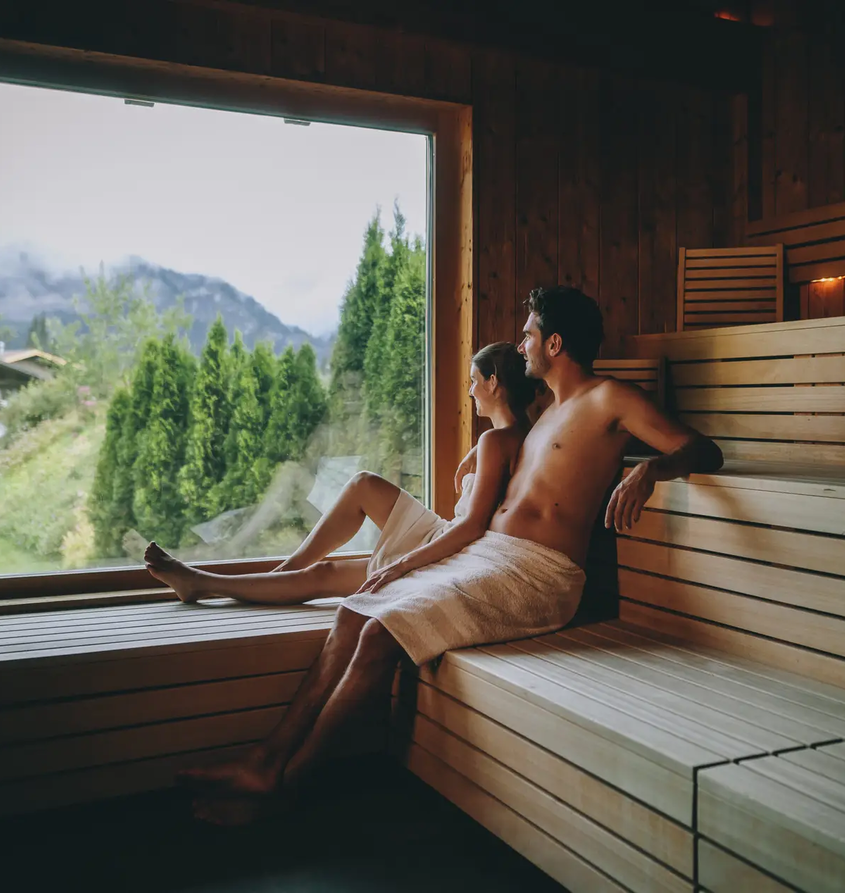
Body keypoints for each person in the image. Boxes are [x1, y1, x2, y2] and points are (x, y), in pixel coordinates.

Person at [155, 286, 723, 825]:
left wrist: (653, 468)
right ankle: (264, 762)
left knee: (380, 633)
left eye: (528, 334)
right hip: (491, 555)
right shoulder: (542, 414)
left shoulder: (611, 398)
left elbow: (703, 448)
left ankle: (290, 785)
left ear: (555, 344)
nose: (521, 344)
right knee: (355, 610)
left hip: (539, 574)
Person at [144, 341, 537, 608]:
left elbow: (469, 527)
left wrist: (404, 564)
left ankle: (203, 582)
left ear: (493, 383)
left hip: (453, 549)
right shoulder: (525, 433)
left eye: (473, 380)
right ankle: (282, 572)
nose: (470, 390)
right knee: (363, 483)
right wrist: (475, 452)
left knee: (325, 573)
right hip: (447, 536)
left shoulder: (494, 442)